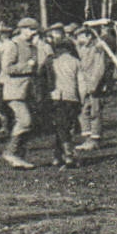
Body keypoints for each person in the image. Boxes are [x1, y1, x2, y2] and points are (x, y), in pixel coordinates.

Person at [0, 17, 43, 169]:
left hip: (28, 91)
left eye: (35, 30)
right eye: (31, 29)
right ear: (22, 29)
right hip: (14, 91)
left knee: (28, 124)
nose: (34, 33)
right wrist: (27, 66)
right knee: (25, 121)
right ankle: (10, 152)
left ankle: (19, 157)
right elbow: (8, 68)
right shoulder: (13, 45)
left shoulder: (33, 47)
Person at [48, 36, 83, 167]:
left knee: (60, 127)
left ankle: (59, 156)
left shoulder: (53, 62)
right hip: (71, 97)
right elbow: (82, 84)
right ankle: (67, 155)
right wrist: (82, 99)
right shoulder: (76, 62)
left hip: (56, 97)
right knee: (65, 127)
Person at [76, 29, 112, 151]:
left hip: (94, 86)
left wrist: (94, 85)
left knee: (95, 112)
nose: (78, 39)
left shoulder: (97, 48)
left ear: (88, 36)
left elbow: (99, 68)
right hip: (83, 85)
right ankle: (87, 138)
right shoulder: (82, 48)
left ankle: (95, 139)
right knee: (83, 111)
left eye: (80, 35)